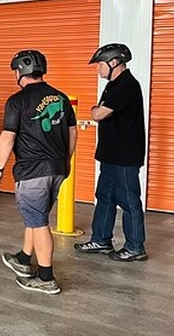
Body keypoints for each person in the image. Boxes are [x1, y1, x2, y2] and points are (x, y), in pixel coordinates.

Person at [0, 50, 77, 295]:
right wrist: (66, 161)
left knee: (39, 223)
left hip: (32, 171)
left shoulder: (17, 101)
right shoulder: (61, 97)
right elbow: (72, 133)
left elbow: (8, 137)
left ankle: (46, 278)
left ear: (21, 72)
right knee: (36, 217)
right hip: (57, 168)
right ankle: (23, 258)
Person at [74, 43, 148, 261]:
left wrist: (96, 111)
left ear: (114, 62)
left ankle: (135, 247)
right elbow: (100, 112)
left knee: (128, 200)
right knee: (105, 196)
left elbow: (98, 114)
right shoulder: (113, 85)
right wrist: (97, 111)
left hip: (125, 156)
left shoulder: (126, 85)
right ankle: (101, 240)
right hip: (110, 154)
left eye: (100, 64)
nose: (98, 69)